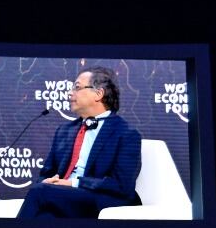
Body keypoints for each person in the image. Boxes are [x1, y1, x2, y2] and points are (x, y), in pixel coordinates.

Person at [17, 67, 142, 219]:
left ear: (98, 94)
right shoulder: (64, 131)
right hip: (65, 198)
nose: (70, 93)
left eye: (77, 87)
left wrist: (73, 183)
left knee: (40, 191)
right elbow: (45, 174)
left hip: (100, 199)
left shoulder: (126, 134)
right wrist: (47, 181)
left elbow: (121, 184)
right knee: (45, 216)